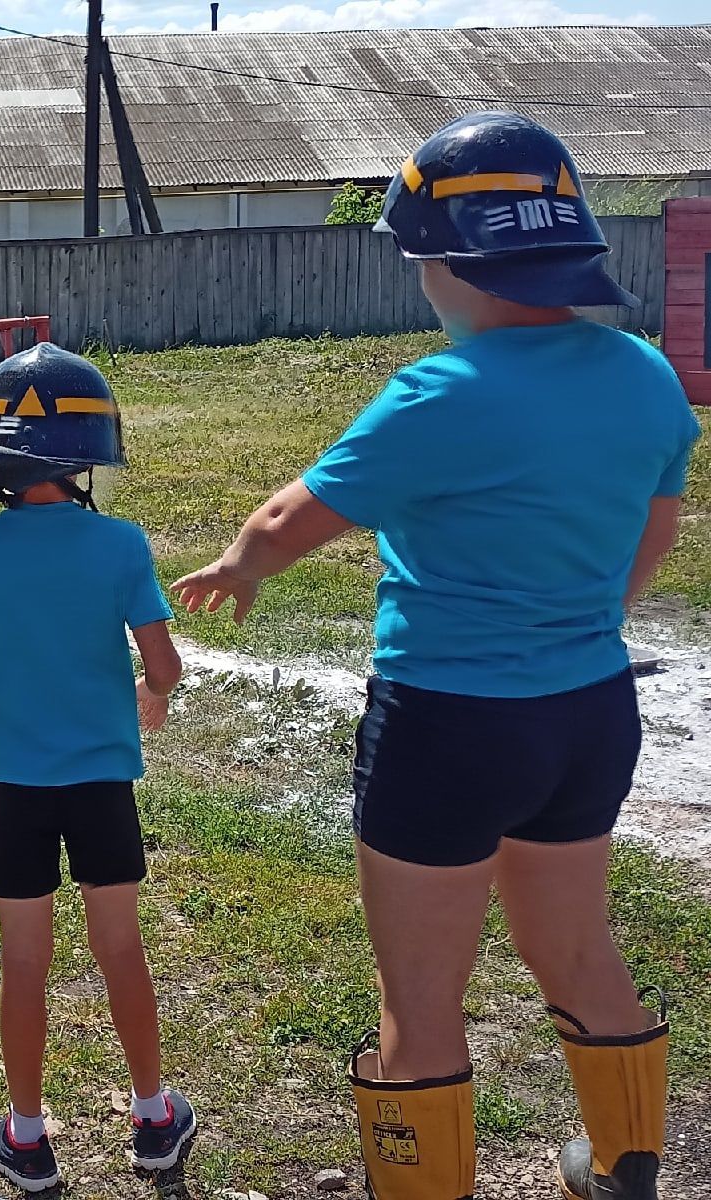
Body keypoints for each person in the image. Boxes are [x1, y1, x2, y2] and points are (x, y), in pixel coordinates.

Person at [173, 113, 698, 1200]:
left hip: (446, 723)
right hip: (586, 711)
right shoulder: (644, 373)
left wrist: (238, 565)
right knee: (580, 949)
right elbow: (657, 525)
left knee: (420, 1000)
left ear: (443, 262)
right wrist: (592, 613)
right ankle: (623, 1164)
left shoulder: (439, 393)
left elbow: (291, 515)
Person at [0, 343, 196, 1192]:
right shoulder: (121, 546)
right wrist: (152, 695)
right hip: (103, 787)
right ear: (86, 461)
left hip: (18, 790)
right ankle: (153, 1119)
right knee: (122, 950)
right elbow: (165, 665)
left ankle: (28, 1135)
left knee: (24, 965)